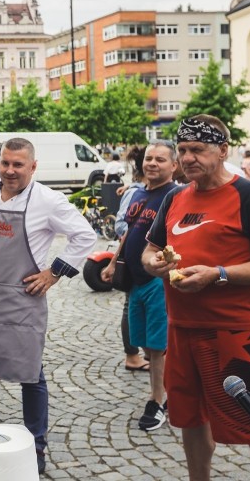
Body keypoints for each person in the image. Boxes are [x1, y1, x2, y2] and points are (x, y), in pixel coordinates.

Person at [142, 115, 250, 481]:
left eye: (198, 150)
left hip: (234, 333)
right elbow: (149, 251)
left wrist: (218, 274)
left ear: (222, 151)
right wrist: (154, 264)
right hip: (182, 330)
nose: (188, 157)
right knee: (190, 419)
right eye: (183, 150)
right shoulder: (175, 196)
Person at [0, 137, 96, 473]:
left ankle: (36, 447)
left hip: (23, 299)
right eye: (5, 163)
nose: (9, 170)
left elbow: (85, 235)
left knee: (31, 373)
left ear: (33, 167)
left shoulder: (48, 201)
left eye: (17, 165)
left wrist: (54, 273)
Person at [102, 141, 178, 431]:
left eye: (160, 159)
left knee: (157, 347)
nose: (153, 163)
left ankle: (157, 401)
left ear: (173, 165)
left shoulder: (176, 194)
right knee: (145, 343)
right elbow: (130, 233)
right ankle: (169, 390)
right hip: (134, 281)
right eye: (149, 158)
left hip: (158, 281)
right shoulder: (141, 193)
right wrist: (112, 263)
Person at [114, 147, 151, 373]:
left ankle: (149, 353)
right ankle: (132, 355)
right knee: (131, 306)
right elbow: (120, 225)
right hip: (135, 260)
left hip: (153, 263)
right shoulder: (134, 192)